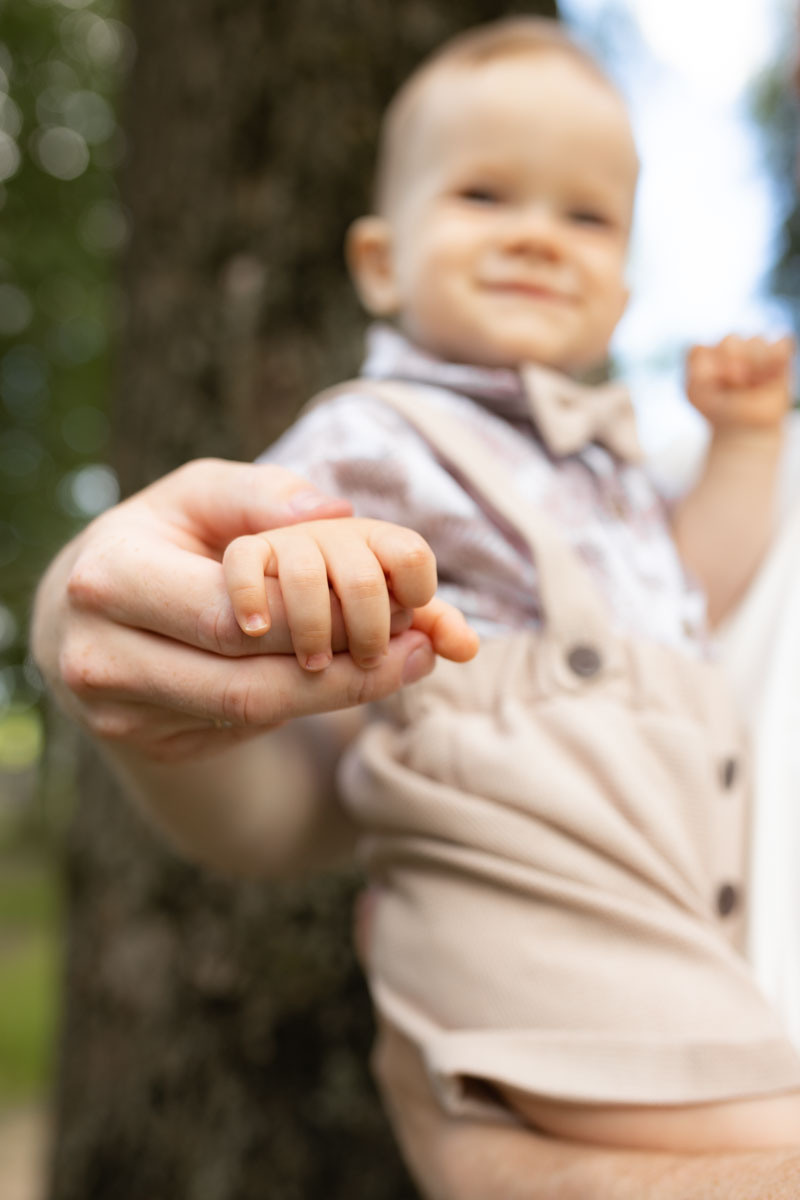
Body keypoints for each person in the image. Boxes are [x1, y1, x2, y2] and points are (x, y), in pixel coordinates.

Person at [30, 15, 800, 1196]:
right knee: (755, 1131)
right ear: (382, 264)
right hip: (517, 877)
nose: (540, 235)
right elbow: (270, 562)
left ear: (624, 289)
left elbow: (696, 592)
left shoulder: (617, 472)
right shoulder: (372, 435)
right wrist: (289, 579)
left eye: (585, 216)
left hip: (658, 890)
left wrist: (743, 447)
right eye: (487, 196)